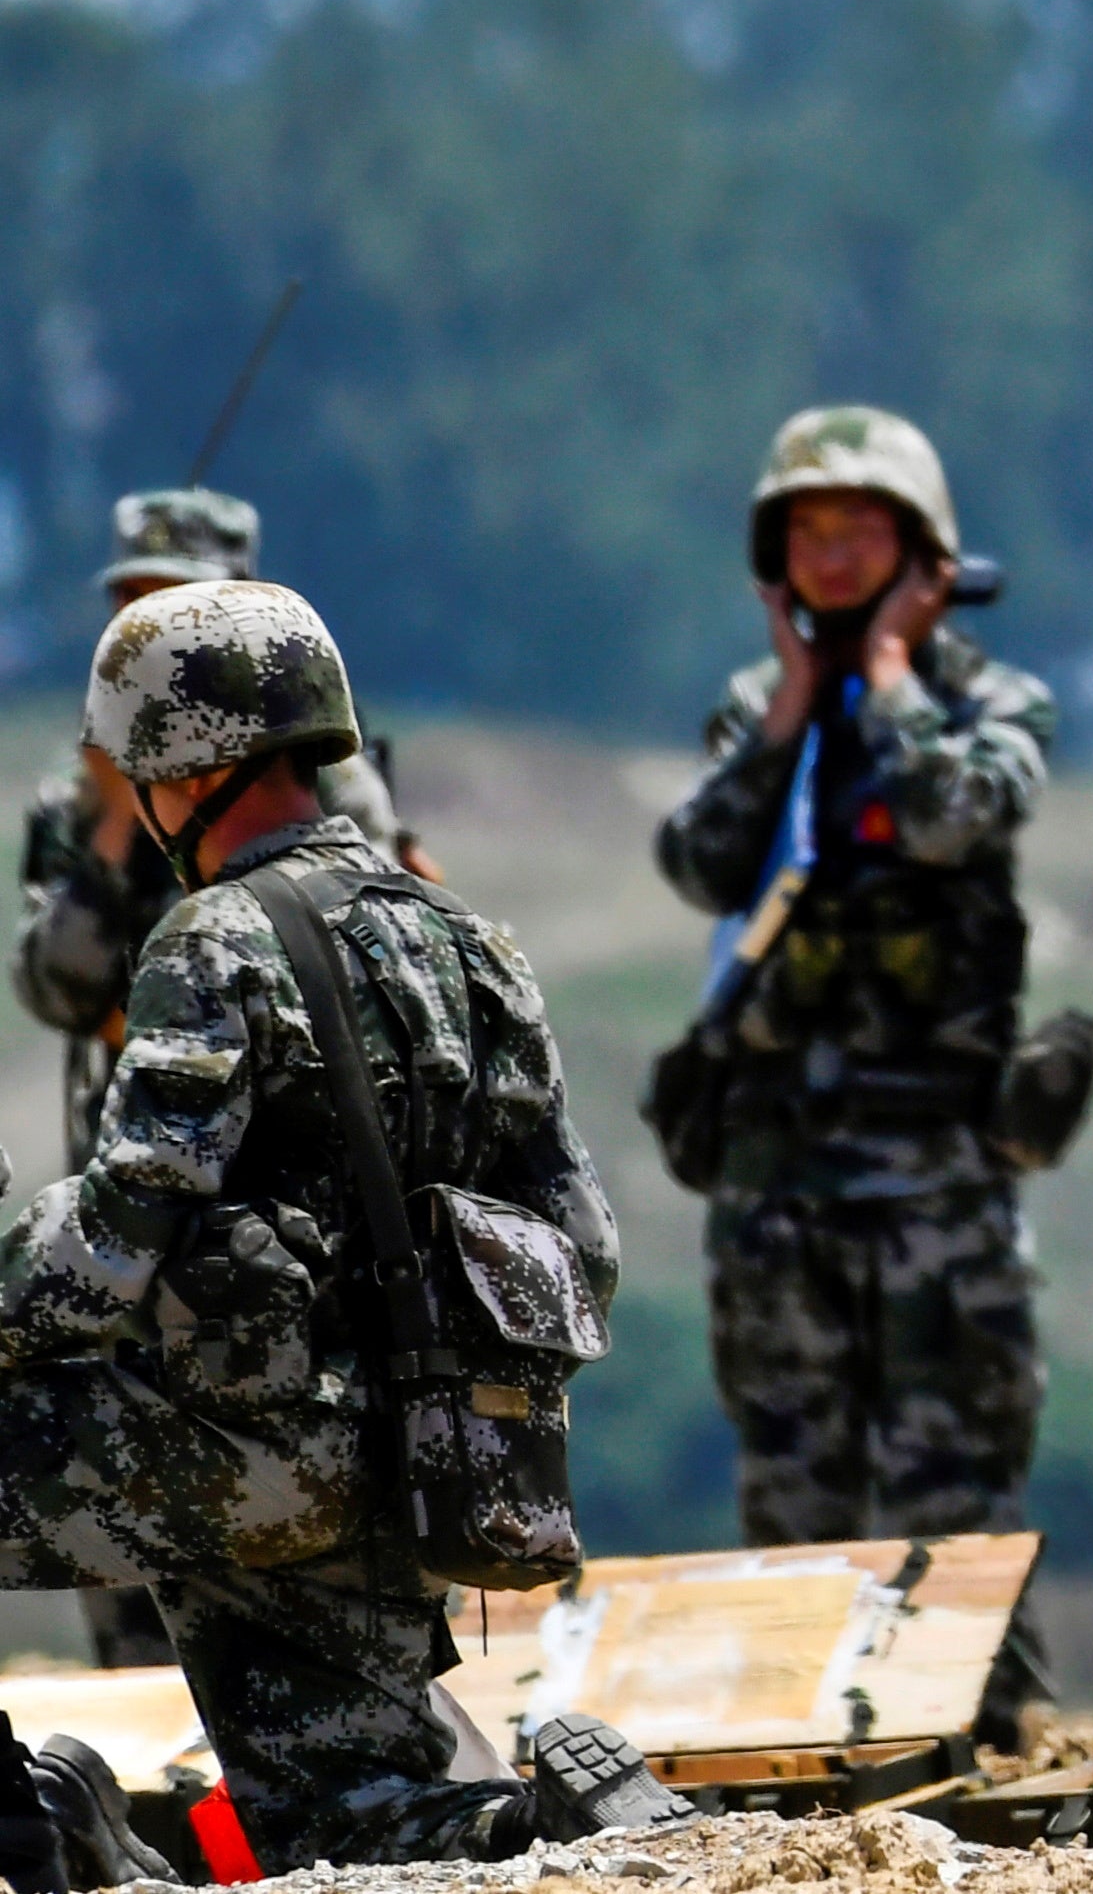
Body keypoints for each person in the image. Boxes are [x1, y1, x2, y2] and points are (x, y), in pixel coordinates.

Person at [0, 582, 681, 1865]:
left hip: (245, 1451)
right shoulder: (470, 939)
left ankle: (8, 1824)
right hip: (441, 1469)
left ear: (166, 763)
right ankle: (541, 1834)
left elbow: (107, 1252)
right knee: (350, 1822)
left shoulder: (210, 941)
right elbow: (581, 1241)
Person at [12, 486, 427, 1673]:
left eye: (180, 605)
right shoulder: (86, 798)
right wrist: (111, 816)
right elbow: (54, 981)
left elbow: (374, 954)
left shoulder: (320, 794)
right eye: (134, 606)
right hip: (147, 1172)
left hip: (298, 1205)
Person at [652, 404, 1060, 1541]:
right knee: (793, 1502)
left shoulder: (989, 700)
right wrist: (790, 704)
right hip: (777, 1178)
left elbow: (951, 814)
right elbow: (701, 861)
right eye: (807, 531)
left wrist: (886, 675)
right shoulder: (755, 707)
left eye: (860, 530)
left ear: (924, 549)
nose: (830, 556)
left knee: (961, 1509)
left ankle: (989, 1724)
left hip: (938, 1170)